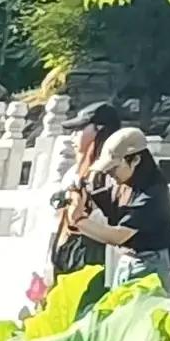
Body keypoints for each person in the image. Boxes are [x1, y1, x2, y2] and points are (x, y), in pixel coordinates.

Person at [70, 129, 170, 285]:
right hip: (127, 261)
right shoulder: (124, 184)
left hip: (148, 266)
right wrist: (78, 193)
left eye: (113, 168)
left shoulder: (152, 194)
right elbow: (97, 199)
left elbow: (118, 236)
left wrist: (78, 220)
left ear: (135, 160)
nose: (109, 174)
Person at [46, 102, 119, 277]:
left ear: (100, 130)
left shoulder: (113, 173)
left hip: (96, 251)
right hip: (69, 247)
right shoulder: (74, 172)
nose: (73, 136)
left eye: (79, 130)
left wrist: (81, 211)